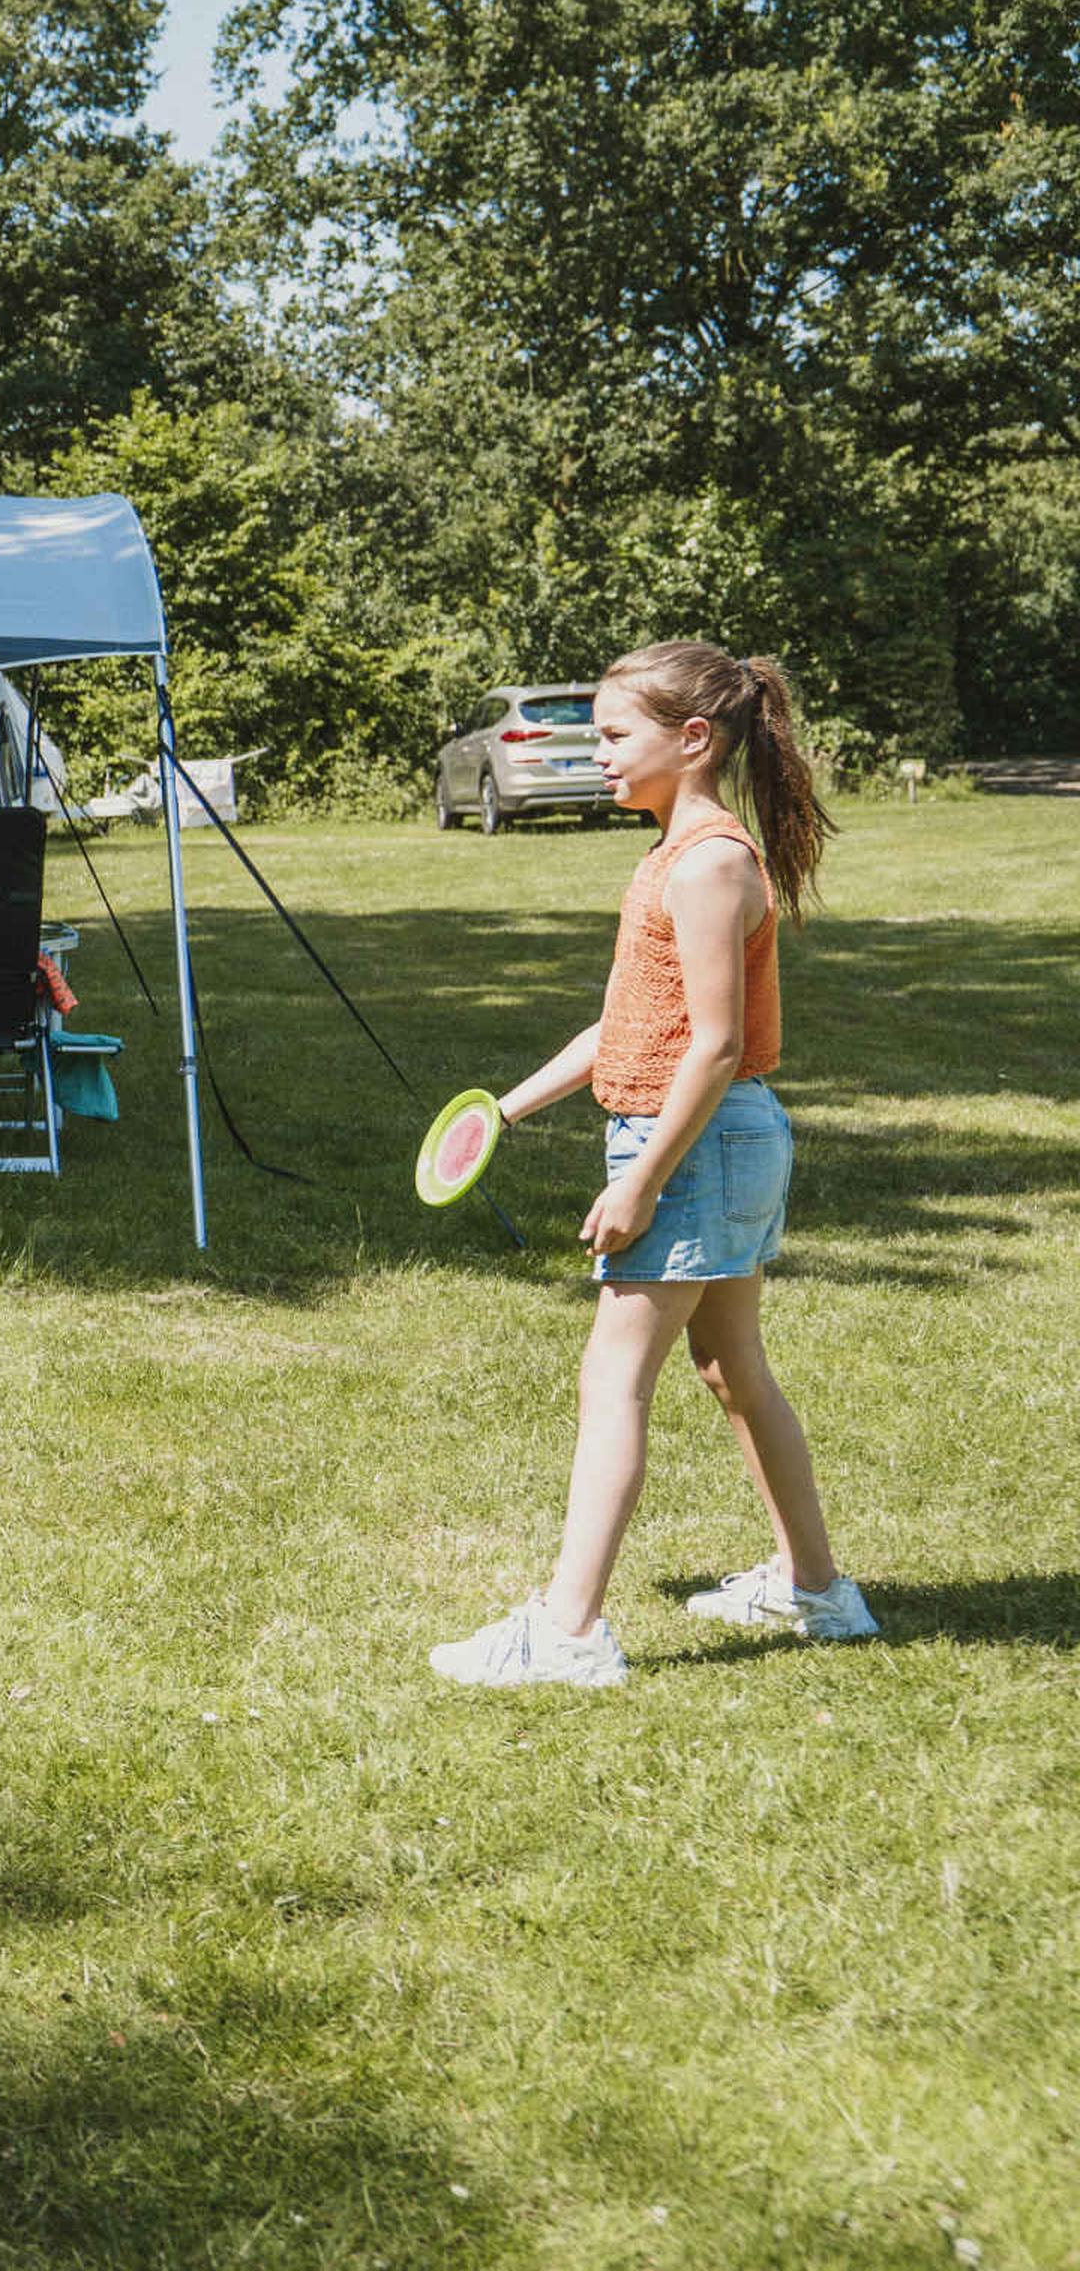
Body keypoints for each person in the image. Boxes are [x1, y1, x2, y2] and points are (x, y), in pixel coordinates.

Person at [430, 641, 876, 1690]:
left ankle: (568, 1632)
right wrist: (502, 1109)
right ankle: (818, 1590)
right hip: (714, 1139)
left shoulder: (711, 863)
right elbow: (629, 1025)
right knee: (732, 1368)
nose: (598, 752)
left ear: (694, 739)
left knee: (614, 1377)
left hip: (696, 1142)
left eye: (615, 734)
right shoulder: (672, 855)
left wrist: (638, 1182)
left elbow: (714, 1046)